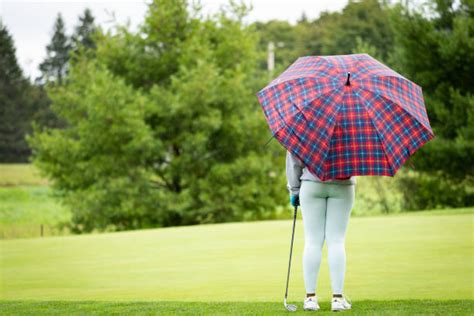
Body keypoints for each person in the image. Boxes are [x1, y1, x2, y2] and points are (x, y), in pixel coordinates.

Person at [286, 150, 355, 312]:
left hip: (311, 184)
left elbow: (294, 161)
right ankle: (337, 299)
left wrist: (294, 190)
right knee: (336, 241)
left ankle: (310, 298)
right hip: (343, 185)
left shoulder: (306, 126)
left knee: (312, 241)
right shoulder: (355, 127)